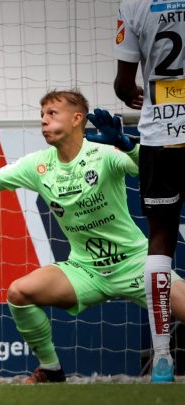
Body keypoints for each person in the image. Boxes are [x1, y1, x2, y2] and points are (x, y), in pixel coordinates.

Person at [0, 89, 185, 383]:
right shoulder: (37, 165)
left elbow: (143, 168)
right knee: (19, 293)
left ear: (77, 118)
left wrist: (126, 142)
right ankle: (51, 370)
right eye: (41, 114)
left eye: (52, 113)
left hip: (134, 264)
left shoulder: (104, 154)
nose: (43, 120)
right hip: (85, 270)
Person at [112, 0, 185, 383]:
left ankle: (162, 360)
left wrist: (132, 94)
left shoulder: (134, 4)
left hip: (162, 136)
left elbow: (124, 86)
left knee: (159, 242)